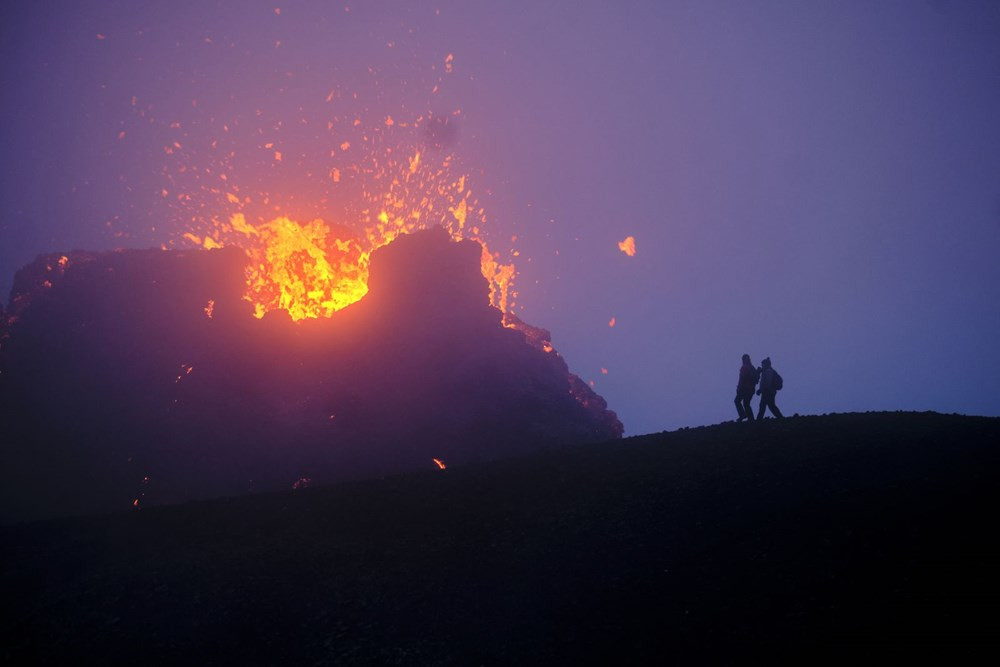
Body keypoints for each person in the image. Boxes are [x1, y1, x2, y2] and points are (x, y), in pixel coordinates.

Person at [734, 353, 758, 422]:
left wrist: (739, 388)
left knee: (737, 401)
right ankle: (751, 419)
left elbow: (742, 378)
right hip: (751, 389)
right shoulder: (752, 367)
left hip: (744, 388)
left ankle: (743, 415)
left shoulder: (744, 367)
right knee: (746, 403)